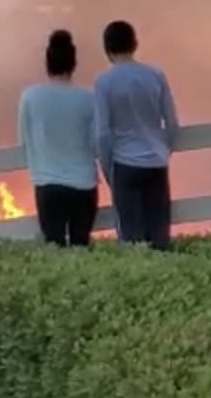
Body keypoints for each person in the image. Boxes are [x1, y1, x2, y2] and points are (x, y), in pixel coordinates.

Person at [94, 20, 180, 250]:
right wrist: (164, 151)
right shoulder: (155, 75)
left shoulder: (103, 82)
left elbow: (102, 133)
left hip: (125, 165)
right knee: (160, 238)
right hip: (156, 164)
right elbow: (172, 123)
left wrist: (107, 169)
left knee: (131, 242)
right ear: (135, 44)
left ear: (107, 49)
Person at [17, 31, 99, 246]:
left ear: (47, 63)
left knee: (54, 247)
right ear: (74, 63)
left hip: (48, 184)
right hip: (83, 183)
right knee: (81, 247)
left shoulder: (30, 96)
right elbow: (97, 141)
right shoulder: (89, 98)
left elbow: (23, 140)